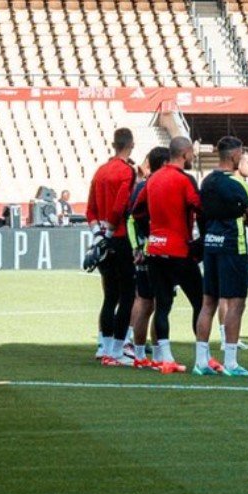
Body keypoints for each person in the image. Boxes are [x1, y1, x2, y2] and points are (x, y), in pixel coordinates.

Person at [131, 136, 202, 373]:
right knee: (200, 302)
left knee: (162, 304)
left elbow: (137, 212)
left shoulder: (152, 180)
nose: (192, 158)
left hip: (155, 249)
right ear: (185, 153)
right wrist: (199, 242)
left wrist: (149, 233)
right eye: (192, 154)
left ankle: (166, 358)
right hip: (179, 250)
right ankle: (203, 357)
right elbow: (198, 207)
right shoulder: (185, 180)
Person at [193, 136, 248, 377]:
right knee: (236, 303)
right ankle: (231, 362)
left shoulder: (207, 181)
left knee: (208, 302)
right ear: (233, 156)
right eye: (241, 154)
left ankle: (201, 361)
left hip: (211, 243)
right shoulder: (237, 184)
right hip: (234, 245)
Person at [87, 129, 137, 364]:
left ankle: (103, 347)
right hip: (119, 237)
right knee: (127, 295)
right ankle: (117, 349)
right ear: (131, 145)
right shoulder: (127, 171)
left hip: (102, 239)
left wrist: (98, 235)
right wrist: (108, 232)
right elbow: (120, 207)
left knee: (109, 296)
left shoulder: (100, 170)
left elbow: (90, 208)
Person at [123, 147, 167, 366]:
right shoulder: (160, 185)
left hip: (143, 251)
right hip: (160, 251)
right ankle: (157, 353)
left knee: (144, 300)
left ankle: (139, 352)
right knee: (159, 302)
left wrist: (136, 248)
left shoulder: (141, 186)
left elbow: (131, 220)